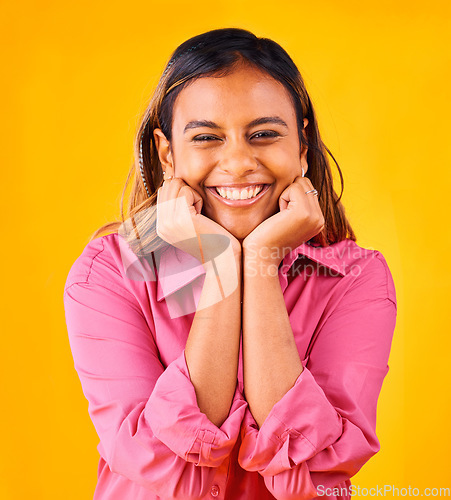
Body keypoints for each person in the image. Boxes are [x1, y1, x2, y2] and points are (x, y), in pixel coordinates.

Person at [63, 28, 397, 500]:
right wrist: (222, 263)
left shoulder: (356, 279)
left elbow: (317, 475)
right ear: (166, 152)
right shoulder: (109, 273)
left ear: (301, 147)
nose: (238, 162)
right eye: (206, 137)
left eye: (263, 134)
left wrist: (259, 260)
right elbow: (163, 467)